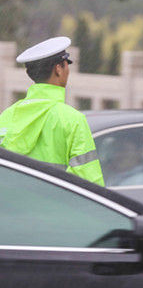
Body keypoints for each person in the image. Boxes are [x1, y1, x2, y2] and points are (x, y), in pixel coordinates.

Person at [0, 36, 104, 185]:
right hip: (55, 207)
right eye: (66, 64)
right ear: (58, 69)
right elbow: (90, 183)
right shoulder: (73, 120)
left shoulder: (6, 117)